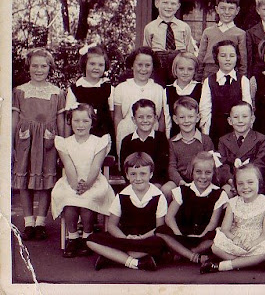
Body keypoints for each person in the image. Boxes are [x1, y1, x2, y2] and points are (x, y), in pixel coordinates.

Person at [13, 48, 65, 241]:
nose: (39, 69)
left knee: (45, 180)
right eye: (34, 65)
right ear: (28, 67)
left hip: (47, 140)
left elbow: (60, 121)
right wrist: (10, 143)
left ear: (49, 67)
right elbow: (14, 118)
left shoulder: (57, 93)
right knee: (24, 180)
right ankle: (28, 222)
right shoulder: (20, 91)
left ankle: (41, 222)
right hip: (25, 139)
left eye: (43, 66)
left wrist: (60, 143)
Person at [52, 103, 115, 257]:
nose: (80, 125)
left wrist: (87, 185)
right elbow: (68, 165)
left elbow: (95, 166)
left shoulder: (99, 142)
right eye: (76, 121)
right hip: (71, 182)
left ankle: (88, 235)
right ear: (70, 121)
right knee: (69, 201)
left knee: (87, 203)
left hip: (93, 182)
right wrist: (75, 186)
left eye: (85, 121)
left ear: (92, 122)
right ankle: (73, 237)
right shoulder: (64, 143)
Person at [87, 152, 167, 271]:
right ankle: (135, 262)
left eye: (143, 174)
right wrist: (126, 239)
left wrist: (141, 238)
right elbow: (112, 226)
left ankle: (113, 257)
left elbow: (159, 227)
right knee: (91, 240)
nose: (138, 178)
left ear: (151, 174)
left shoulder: (158, 196)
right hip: (125, 238)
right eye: (133, 174)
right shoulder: (122, 196)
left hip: (147, 239)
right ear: (127, 175)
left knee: (162, 240)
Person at [200, 164, 265, 274]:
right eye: (240, 183)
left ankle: (224, 265)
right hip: (237, 239)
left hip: (257, 240)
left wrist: (254, 243)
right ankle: (251, 263)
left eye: (250, 182)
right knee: (215, 247)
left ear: (259, 183)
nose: (245, 187)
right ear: (236, 185)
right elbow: (225, 229)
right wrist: (234, 238)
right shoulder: (233, 203)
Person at [155, 151, 229, 265]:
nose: (203, 177)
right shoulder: (182, 190)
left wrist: (202, 236)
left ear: (214, 173)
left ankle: (186, 253)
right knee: (160, 231)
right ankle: (192, 256)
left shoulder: (219, 194)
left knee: (218, 234)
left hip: (203, 238)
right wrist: (178, 235)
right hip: (181, 236)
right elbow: (169, 217)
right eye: (198, 172)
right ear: (192, 172)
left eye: (208, 172)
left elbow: (213, 223)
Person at [113, 47, 165, 158]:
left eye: (147, 65)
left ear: (153, 67)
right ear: (132, 65)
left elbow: (161, 118)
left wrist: (159, 137)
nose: (143, 69)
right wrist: (119, 139)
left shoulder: (159, 90)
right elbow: (117, 117)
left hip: (151, 136)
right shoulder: (121, 88)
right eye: (139, 65)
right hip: (127, 134)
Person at [199, 40, 251, 147]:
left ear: (237, 58)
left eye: (232, 55)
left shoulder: (243, 80)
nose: (228, 59)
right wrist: (206, 134)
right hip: (216, 129)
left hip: (237, 129)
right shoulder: (209, 81)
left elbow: (247, 107)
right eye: (223, 55)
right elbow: (205, 110)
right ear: (216, 57)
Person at [65, 45, 115, 155]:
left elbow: (112, 115)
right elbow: (68, 119)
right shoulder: (75, 89)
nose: (96, 68)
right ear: (84, 64)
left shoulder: (108, 88)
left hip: (103, 135)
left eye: (101, 65)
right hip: (81, 136)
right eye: (92, 64)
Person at [143, 0, 196, 85]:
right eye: (165, 3)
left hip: (179, 62)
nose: (169, 6)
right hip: (159, 64)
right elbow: (147, 52)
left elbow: (190, 51)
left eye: (173, 3)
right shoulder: (150, 28)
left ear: (178, 6)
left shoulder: (184, 27)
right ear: (157, 3)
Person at [120, 99, 172, 199]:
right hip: (135, 183)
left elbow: (162, 167)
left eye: (149, 117)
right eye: (140, 117)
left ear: (155, 118)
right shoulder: (127, 141)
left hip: (156, 184)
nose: (145, 120)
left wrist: (152, 186)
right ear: (133, 119)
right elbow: (125, 168)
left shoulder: (161, 139)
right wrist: (137, 184)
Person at [217, 102, 265, 196]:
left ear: (252, 119)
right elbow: (222, 165)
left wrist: (243, 182)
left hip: (252, 181)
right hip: (231, 182)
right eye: (236, 117)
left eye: (244, 116)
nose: (240, 121)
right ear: (230, 121)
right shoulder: (223, 140)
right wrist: (232, 181)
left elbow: (260, 164)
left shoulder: (260, 139)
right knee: (225, 191)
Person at [197, 0, 248, 79]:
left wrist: (242, 77)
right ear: (217, 9)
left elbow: (243, 60)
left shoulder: (240, 34)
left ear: (237, 10)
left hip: (231, 74)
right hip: (209, 72)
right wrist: (198, 76)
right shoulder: (208, 32)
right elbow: (201, 56)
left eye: (231, 8)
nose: (227, 12)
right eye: (223, 8)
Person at [167, 97, 215, 189]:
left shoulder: (205, 140)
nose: (186, 121)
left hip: (202, 180)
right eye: (182, 117)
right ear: (175, 119)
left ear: (197, 118)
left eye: (190, 116)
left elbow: (211, 165)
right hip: (181, 182)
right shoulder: (172, 143)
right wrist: (181, 182)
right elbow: (171, 167)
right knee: (167, 189)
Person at [164, 52, 203, 139]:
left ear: (195, 71)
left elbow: (203, 116)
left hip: (196, 136)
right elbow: (167, 119)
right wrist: (168, 139)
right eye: (181, 69)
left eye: (190, 69)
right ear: (175, 69)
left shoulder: (201, 88)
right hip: (175, 135)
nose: (185, 72)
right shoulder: (167, 90)